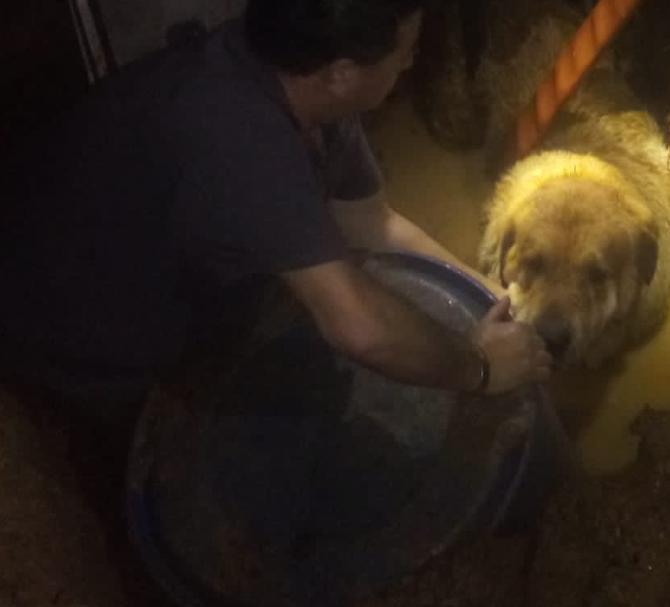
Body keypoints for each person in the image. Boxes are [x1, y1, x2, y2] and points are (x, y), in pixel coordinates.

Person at [0, 0, 552, 441]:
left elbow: (373, 223)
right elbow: (358, 326)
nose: (411, 60)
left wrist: (491, 297)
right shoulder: (240, 140)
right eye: (406, 49)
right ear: (342, 72)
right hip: (68, 337)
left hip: (145, 256)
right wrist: (478, 368)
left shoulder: (304, 84)